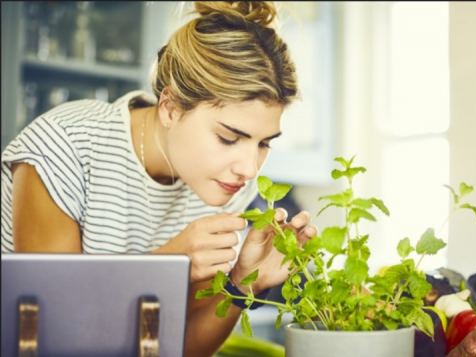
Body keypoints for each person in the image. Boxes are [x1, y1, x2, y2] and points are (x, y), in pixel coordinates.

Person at [0, 2, 316, 356]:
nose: (249, 168)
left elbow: (181, 348)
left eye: (263, 144)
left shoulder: (224, 188)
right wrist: (166, 263)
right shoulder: (65, 146)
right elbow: (49, 333)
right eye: (229, 138)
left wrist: (242, 283)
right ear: (170, 107)